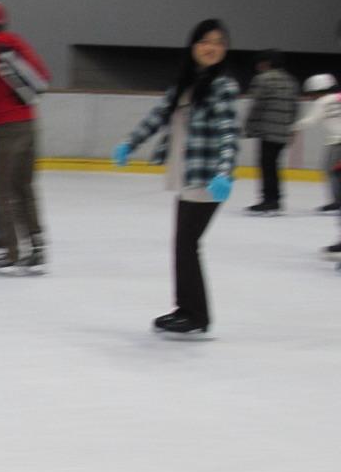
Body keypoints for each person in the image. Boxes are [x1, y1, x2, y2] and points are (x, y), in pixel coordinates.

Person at [112, 19, 239, 337]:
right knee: (183, 244)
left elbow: (229, 133)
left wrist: (224, 172)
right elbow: (156, 117)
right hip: (186, 174)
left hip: (207, 177)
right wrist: (130, 143)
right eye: (205, 41)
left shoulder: (223, 87)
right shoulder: (186, 83)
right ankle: (186, 309)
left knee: (187, 243)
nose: (212, 48)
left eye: (219, 43)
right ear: (194, 46)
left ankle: (196, 315)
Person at [0, 2, 52, 273]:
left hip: (2, 128)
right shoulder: (17, 44)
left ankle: (11, 252)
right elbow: (43, 76)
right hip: (28, 123)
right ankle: (37, 246)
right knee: (25, 188)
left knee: (2, 191)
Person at [242, 50, 299, 215]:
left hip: (267, 130)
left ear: (266, 63)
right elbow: (295, 107)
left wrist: (249, 126)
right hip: (283, 131)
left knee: (267, 166)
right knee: (274, 165)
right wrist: (291, 128)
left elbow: (257, 105)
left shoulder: (263, 79)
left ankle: (269, 200)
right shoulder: (291, 81)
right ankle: (275, 199)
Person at [292, 74, 341, 257]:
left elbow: (310, 121)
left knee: (334, 178)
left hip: (338, 146)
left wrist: (291, 127)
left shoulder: (323, 101)